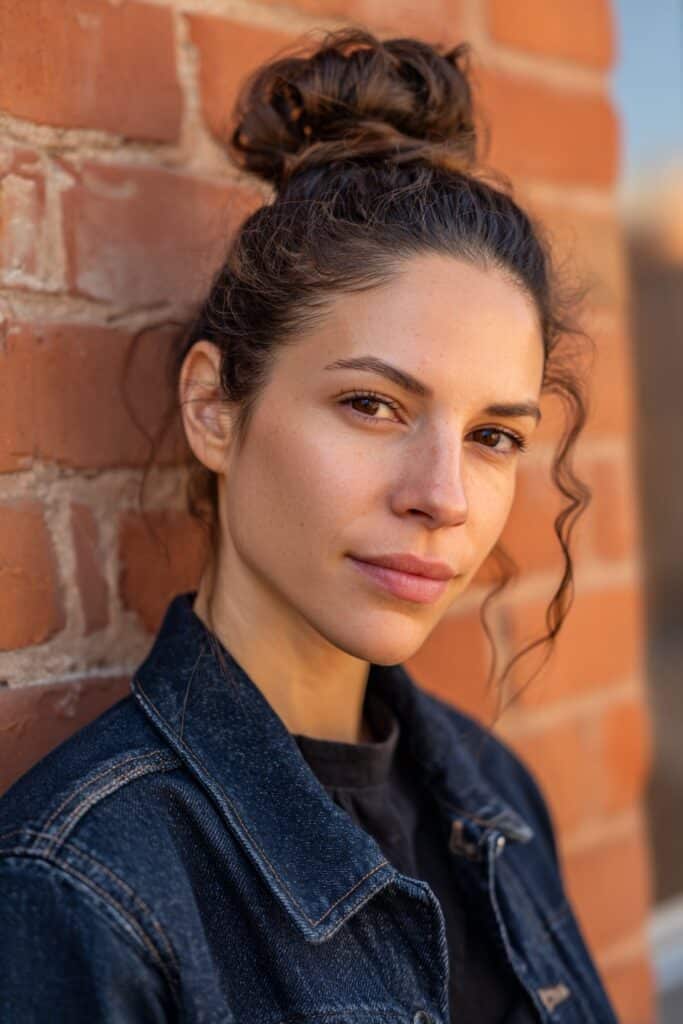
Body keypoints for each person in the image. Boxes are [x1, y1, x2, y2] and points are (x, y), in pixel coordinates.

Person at [0, 27, 618, 1024]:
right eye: (371, 405)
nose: (442, 496)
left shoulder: (494, 799)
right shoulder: (86, 887)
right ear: (215, 408)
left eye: (494, 434)